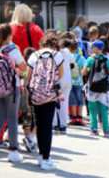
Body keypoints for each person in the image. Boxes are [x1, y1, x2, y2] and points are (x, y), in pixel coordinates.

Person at [0, 23, 27, 163]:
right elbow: (23, 67)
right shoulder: (12, 50)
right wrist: (18, 72)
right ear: (9, 36)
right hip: (11, 89)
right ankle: (13, 151)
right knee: (12, 118)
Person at [26, 33, 64, 171]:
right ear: (55, 44)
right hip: (50, 95)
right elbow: (62, 74)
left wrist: (28, 94)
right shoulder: (57, 55)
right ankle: (46, 159)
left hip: (36, 94)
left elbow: (28, 76)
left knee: (39, 124)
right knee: (47, 126)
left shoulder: (34, 55)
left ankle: (41, 156)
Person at [82, 40, 109, 137]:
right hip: (103, 88)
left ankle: (93, 129)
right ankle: (106, 130)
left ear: (96, 48)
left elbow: (83, 72)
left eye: (92, 47)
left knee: (92, 109)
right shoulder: (106, 59)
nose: (91, 49)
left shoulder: (90, 59)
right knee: (104, 109)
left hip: (92, 87)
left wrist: (88, 71)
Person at [52, 35, 73, 134]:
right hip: (67, 81)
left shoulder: (55, 54)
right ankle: (63, 125)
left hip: (58, 81)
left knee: (55, 103)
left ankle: (55, 124)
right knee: (64, 102)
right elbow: (72, 65)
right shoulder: (68, 53)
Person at [68, 37, 88, 126]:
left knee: (72, 100)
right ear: (77, 48)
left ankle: (74, 117)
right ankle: (80, 117)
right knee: (80, 100)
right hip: (79, 82)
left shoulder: (68, 57)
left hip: (69, 82)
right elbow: (85, 69)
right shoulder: (82, 58)